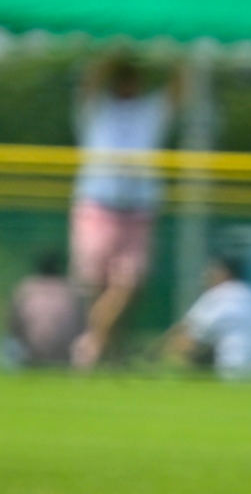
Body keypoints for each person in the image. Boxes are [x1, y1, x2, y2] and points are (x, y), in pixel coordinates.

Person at [69, 50, 179, 368]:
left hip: (136, 208)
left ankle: (91, 345)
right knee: (94, 285)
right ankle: (112, 355)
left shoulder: (148, 111)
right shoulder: (98, 109)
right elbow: (89, 82)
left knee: (127, 284)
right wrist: (109, 48)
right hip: (98, 204)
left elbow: (177, 90)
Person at [161, 255, 251, 379]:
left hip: (233, 368)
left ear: (225, 273)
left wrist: (158, 355)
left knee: (186, 345)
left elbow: (188, 333)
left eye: (211, 272)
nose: (206, 276)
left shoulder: (218, 294)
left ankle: (174, 378)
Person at [7, 250, 82, 367]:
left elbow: (13, 326)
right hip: (66, 354)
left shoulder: (26, 288)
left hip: (32, 353)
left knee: (6, 345)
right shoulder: (71, 290)